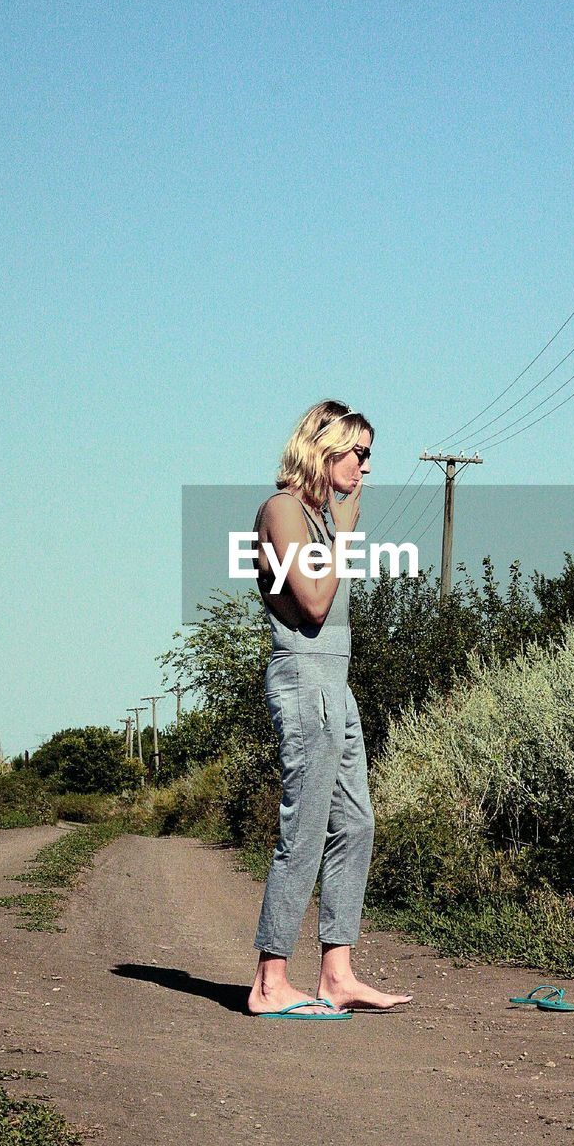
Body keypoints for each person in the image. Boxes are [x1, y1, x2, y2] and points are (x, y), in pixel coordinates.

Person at [246, 399, 413, 1018]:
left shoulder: (317, 515)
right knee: (306, 827)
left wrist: (338, 528)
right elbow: (314, 602)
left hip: (335, 684)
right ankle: (269, 983)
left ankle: (336, 974)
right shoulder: (284, 510)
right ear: (325, 447)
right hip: (303, 678)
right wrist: (344, 535)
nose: (366, 468)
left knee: (357, 822)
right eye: (359, 453)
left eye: (370, 456)